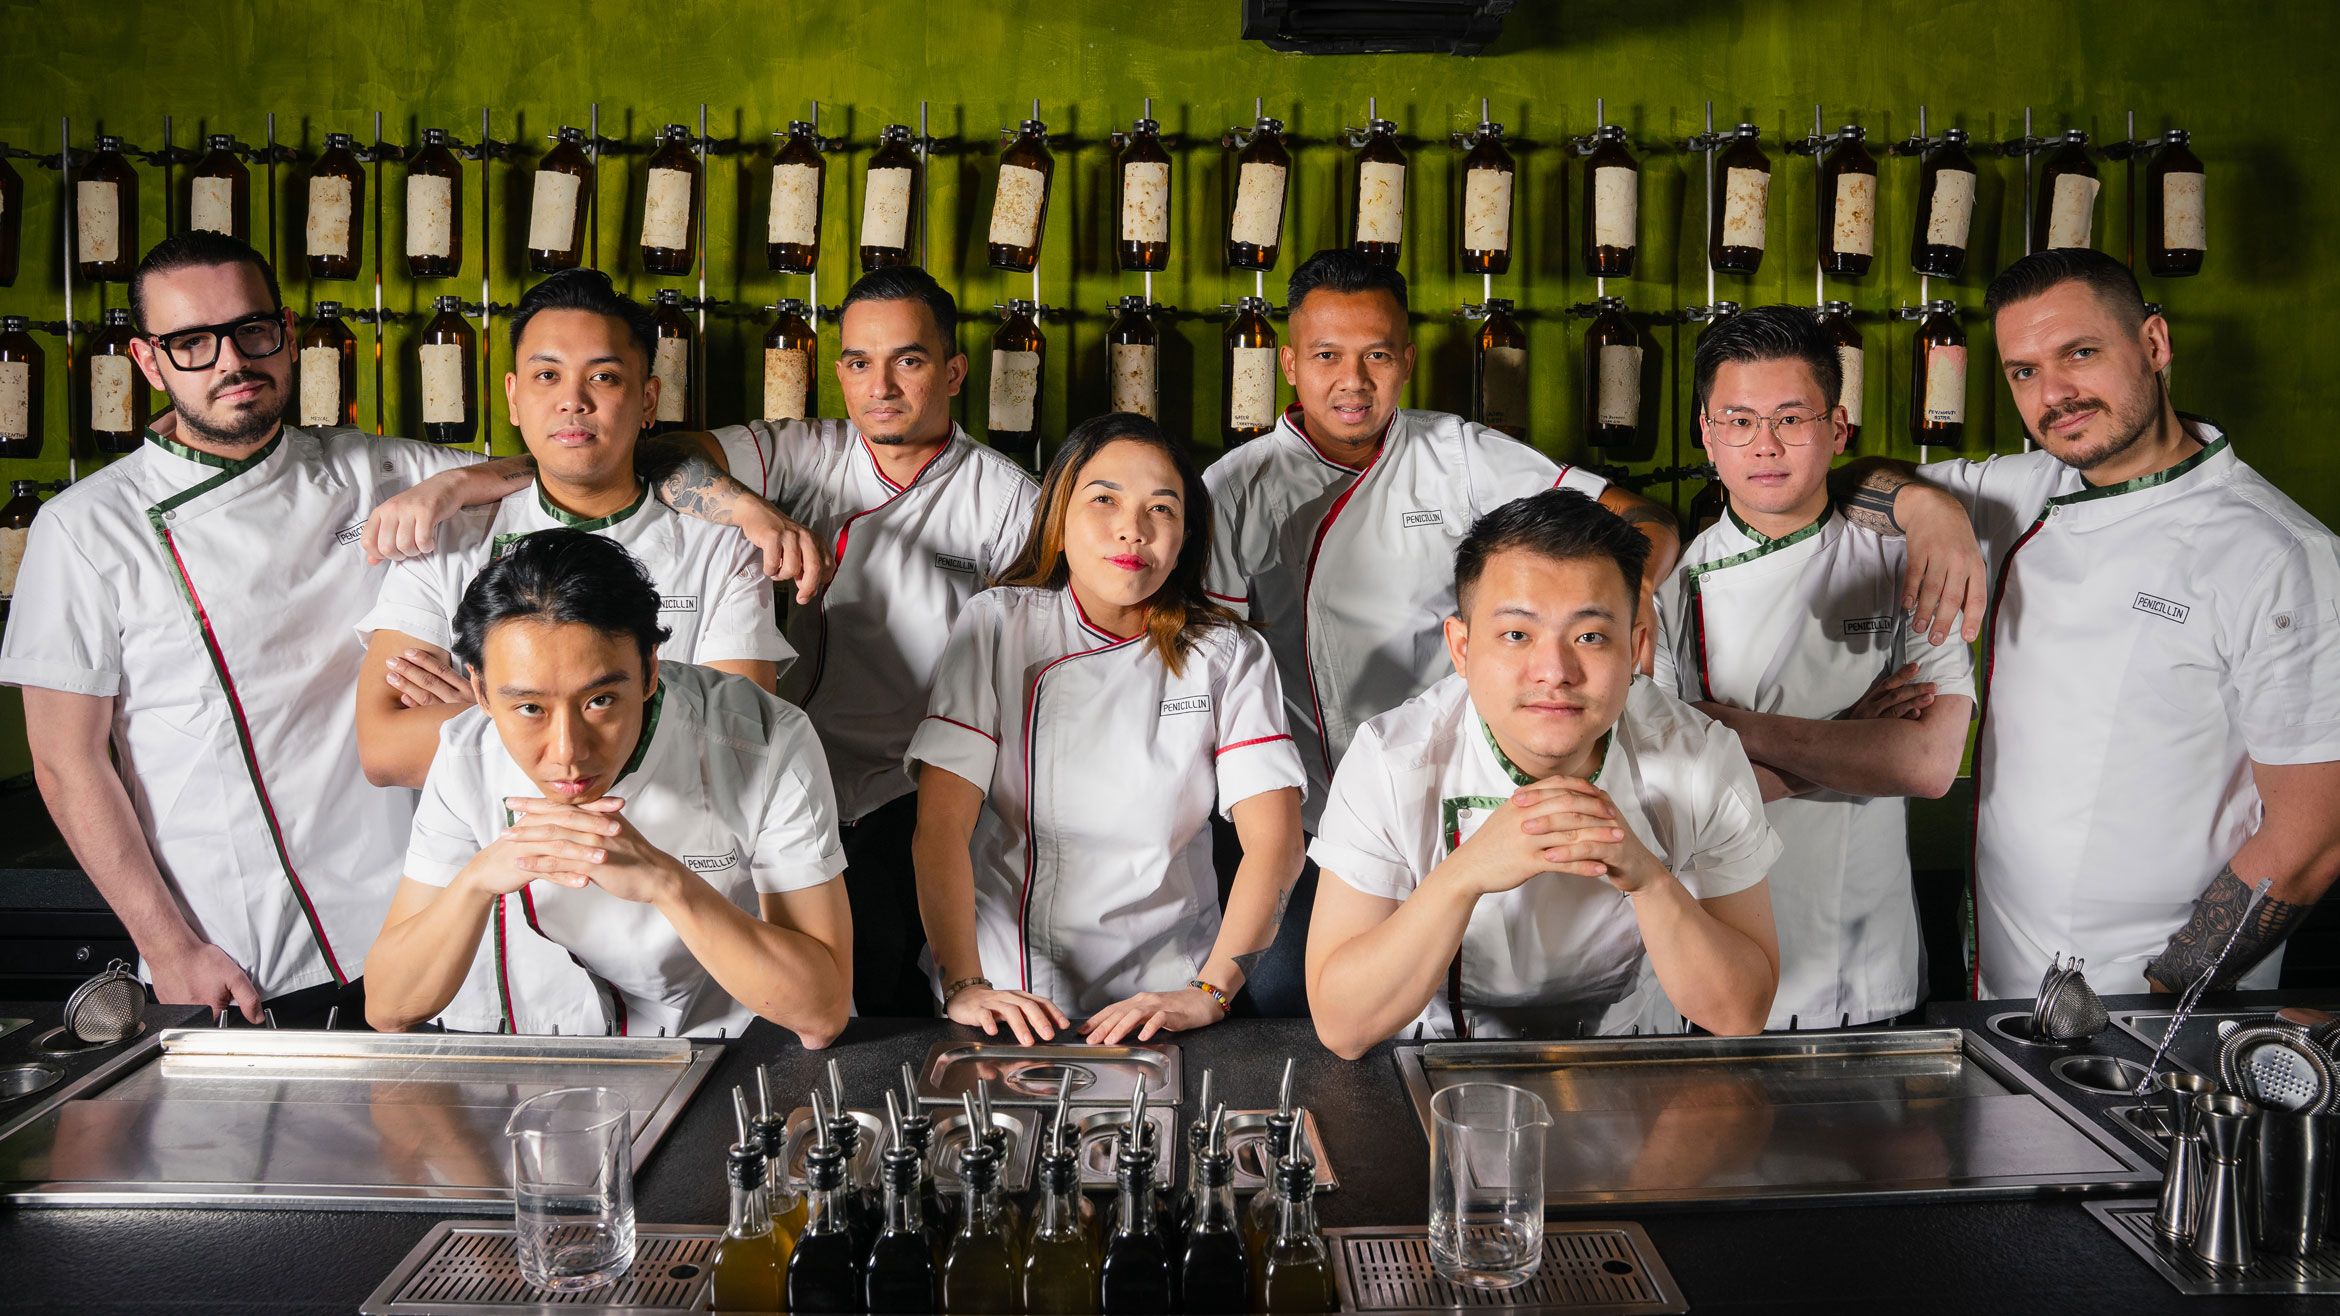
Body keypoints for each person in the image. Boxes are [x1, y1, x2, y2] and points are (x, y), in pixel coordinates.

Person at [0, 232, 489, 1026]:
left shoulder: (375, 471)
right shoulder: (86, 529)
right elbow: (66, 763)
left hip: (422, 926)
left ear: (287, 334)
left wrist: (456, 487)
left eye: (250, 331)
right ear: (148, 361)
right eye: (191, 343)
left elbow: (566, 471)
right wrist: (167, 949)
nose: (231, 361)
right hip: (242, 955)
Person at [1832, 249, 2340, 999]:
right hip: (2005, 989)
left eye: (2080, 353)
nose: (2055, 394)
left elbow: (2311, 841)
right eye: (2024, 371)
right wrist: (1925, 506)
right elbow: (1847, 483)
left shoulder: (2280, 553)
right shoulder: (2020, 489)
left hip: (2157, 1005)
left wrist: (2158, 1002)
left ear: (2155, 345)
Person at [1202, 249, 1681, 1013]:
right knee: (1308, 1013)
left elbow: (1642, 518)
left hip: (1463, 793)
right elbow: (1214, 671)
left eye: (1377, 356)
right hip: (1312, 817)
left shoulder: (1457, 453)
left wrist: (1638, 590)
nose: (1352, 381)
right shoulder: (1236, 486)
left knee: (1490, 1009)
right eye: (1326, 356)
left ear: (1408, 362)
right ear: (1288, 362)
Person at [1306, 489, 1781, 1057]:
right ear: (1460, 648)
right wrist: (1465, 874)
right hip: (1433, 1063)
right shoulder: (1391, 759)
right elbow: (1342, 1025)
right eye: (1516, 634)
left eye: (1589, 636)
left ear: (1635, 650)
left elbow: (1740, 1013)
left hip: (1631, 1062)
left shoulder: (1701, 755)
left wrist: (1650, 879)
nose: (1554, 671)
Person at [699, 266, 1039, 1017]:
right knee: (785, 1013)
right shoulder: (808, 452)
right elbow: (667, 459)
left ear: (953, 373)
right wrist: (752, 515)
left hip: (917, 798)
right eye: (858, 362)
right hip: (790, 784)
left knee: (888, 1013)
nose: (879, 385)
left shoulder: (1009, 502)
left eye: (907, 360)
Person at [908, 414, 1308, 1044]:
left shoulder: (1229, 653)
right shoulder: (998, 625)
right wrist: (965, 984)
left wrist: (1209, 991)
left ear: (1183, 540)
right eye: (1105, 500)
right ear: (1059, 520)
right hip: (1010, 995)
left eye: (1163, 508)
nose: (1133, 528)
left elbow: (1277, 843)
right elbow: (940, 828)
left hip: (1169, 995)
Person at [364, 529, 852, 1042]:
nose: (568, 751)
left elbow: (820, 1015)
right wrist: (481, 876)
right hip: (553, 1055)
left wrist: (667, 884)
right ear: (481, 693)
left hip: (725, 1047)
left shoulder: (765, 738)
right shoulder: (465, 752)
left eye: (599, 702)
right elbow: (389, 1008)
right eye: (530, 708)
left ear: (647, 673)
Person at [1651, 306, 1972, 1030]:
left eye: (1792, 419)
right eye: (1738, 421)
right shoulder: (1666, 591)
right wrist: (1855, 735)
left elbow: (1925, 763)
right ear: (1706, 433)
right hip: (1714, 979)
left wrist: (1728, 727)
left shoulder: (1909, 565)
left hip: (1870, 974)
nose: (1765, 445)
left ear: (1839, 428)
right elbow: (1674, 807)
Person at [355, 269, 795, 790]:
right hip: (496, 864)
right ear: (514, 397)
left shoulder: (721, 548)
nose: (573, 401)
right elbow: (384, 749)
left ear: (649, 399)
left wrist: (494, 711)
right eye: (547, 376)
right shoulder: (447, 539)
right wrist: (638, 720)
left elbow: (735, 750)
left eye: (604, 377)